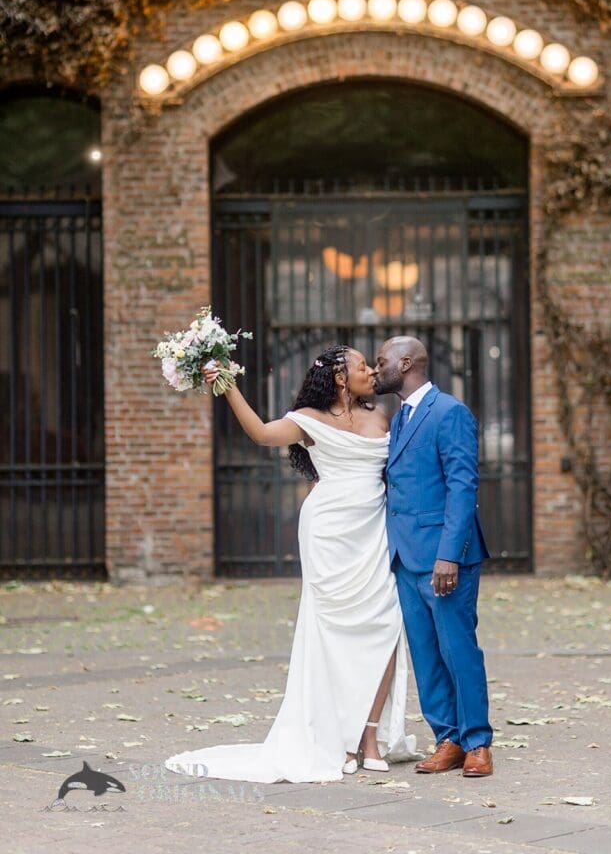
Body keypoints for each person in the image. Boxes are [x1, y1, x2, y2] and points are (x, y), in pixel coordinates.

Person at [164, 343, 417, 784]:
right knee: (329, 632)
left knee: (384, 625)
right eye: (361, 366)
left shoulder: (383, 417)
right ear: (340, 377)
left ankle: (370, 735)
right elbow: (261, 433)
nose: (370, 373)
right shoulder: (308, 422)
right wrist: (227, 386)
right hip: (328, 534)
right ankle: (337, 739)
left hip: (373, 532)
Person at [372, 335, 494, 777]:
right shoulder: (399, 417)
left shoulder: (450, 412)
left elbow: (463, 487)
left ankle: (478, 742)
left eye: (381, 360)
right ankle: (448, 739)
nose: (375, 367)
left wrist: (449, 556)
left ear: (405, 363)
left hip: (446, 558)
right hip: (404, 557)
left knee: (457, 648)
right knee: (425, 653)